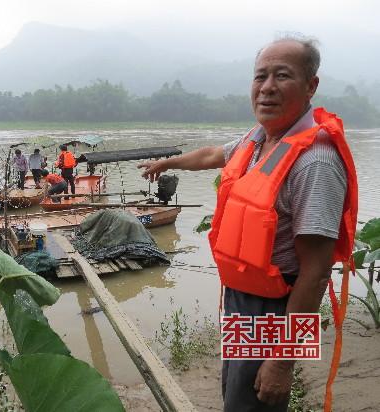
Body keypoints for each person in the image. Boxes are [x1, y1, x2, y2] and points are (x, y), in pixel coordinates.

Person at [138, 36, 357, 412]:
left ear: (311, 86)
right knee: (237, 395)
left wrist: (282, 361)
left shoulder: (315, 161)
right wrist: (167, 163)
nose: (267, 87)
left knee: (258, 400)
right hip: (244, 297)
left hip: (278, 303)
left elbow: (317, 273)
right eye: (260, 76)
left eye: (282, 76)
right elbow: (212, 154)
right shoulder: (260, 138)